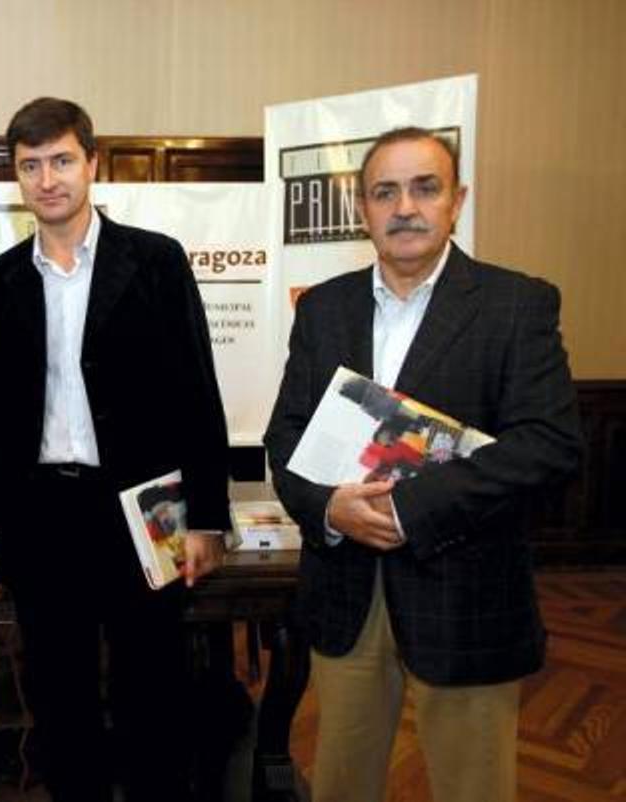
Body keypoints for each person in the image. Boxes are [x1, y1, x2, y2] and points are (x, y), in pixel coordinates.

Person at [264, 126, 583, 802]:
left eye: (424, 188)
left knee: (474, 788)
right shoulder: (322, 308)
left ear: (456, 200)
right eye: (385, 192)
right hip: (345, 593)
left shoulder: (517, 303)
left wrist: (407, 510)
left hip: (467, 593)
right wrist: (329, 509)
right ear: (362, 209)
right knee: (341, 783)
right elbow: (286, 438)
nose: (404, 207)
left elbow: (548, 444)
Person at [0, 97, 231, 802]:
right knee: (60, 701)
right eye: (30, 165)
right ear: (17, 177)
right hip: (40, 515)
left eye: (61, 160)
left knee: (153, 690)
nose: (47, 178)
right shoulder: (0, 279)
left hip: (147, 509)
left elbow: (196, 391)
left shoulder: (155, 260)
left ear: (92, 163)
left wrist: (207, 517)